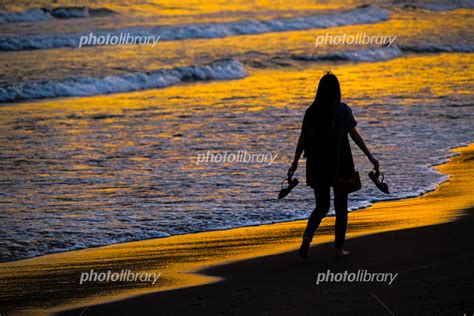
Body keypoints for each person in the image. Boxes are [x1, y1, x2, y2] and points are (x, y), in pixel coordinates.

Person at [288, 72, 379, 259]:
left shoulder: (311, 112)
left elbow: (302, 139)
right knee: (340, 207)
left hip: (317, 163)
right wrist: (370, 157)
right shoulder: (343, 110)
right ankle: (339, 249)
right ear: (337, 90)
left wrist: (295, 163)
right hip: (340, 162)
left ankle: (306, 238)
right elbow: (354, 135)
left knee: (321, 206)